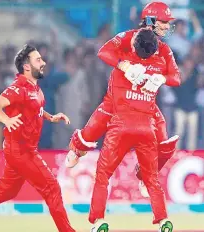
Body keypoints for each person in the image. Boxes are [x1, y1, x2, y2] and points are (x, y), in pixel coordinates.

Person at [65, 1, 180, 197]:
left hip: (145, 104)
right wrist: (123, 65)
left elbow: (176, 78)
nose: (168, 27)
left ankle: (146, 175)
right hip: (117, 100)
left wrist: (161, 78)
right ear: (151, 21)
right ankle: (77, 149)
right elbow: (103, 52)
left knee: (164, 142)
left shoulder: (164, 49)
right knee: (91, 130)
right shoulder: (127, 38)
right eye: (164, 22)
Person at [0, 45, 76, 232]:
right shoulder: (19, 88)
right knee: (52, 188)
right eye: (38, 60)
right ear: (26, 66)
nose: (43, 63)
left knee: (7, 190)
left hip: (22, 149)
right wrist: (6, 120)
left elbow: (33, 109)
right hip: (21, 150)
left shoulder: (35, 88)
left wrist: (50, 117)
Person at [88, 29, 174, 232]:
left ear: (134, 46)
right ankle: (163, 221)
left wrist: (123, 63)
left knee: (102, 175)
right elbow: (173, 76)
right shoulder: (159, 66)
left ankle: (99, 221)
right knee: (151, 178)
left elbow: (105, 52)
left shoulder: (122, 61)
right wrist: (161, 78)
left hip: (121, 127)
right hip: (146, 128)